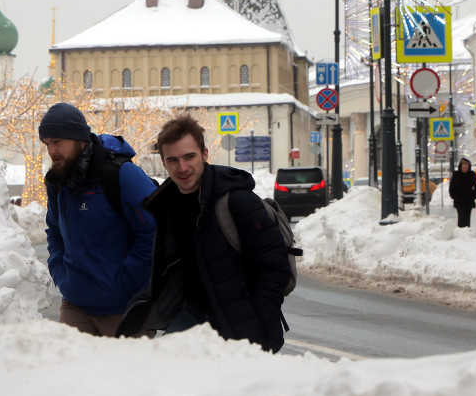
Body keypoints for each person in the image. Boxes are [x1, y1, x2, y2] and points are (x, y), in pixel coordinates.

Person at [116, 114, 293, 352]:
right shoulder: (167, 205)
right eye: (173, 160)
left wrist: (258, 327)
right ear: (163, 161)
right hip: (192, 318)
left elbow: (274, 267)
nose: (182, 168)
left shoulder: (238, 201)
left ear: (205, 154)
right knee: (165, 375)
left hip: (241, 323)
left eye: (190, 157)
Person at [40, 103, 157, 337]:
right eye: (47, 144)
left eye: (57, 142)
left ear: (80, 139)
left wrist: (126, 284)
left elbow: (153, 231)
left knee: (127, 373)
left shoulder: (122, 174)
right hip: (75, 306)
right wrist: (61, 274)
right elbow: (54, 231)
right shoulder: (58, 181)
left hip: (124, 310)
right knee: (66, 371)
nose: (51, 151)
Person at [448, 157, 476, 228]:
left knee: (467, 218)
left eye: (466, 167)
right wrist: (454, 196)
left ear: (469, 167)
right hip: (459, 200)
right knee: (461, 217)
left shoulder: (472, 174)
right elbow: (451, 187)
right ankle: (461, 233)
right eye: (463, 167)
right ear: (460, 167)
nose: (465, 169)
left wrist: (474, 195)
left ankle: (467, 232)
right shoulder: (456, 174)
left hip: (469, 200)